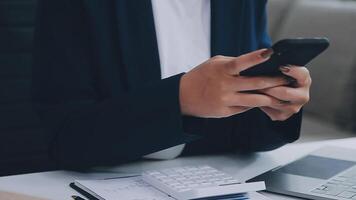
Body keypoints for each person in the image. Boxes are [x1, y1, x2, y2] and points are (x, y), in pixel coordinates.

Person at [32, 0, 311, 169]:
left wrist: (277, 106)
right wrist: (180, 100)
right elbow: (65, 139)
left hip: (217, 183)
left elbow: (242, 137)